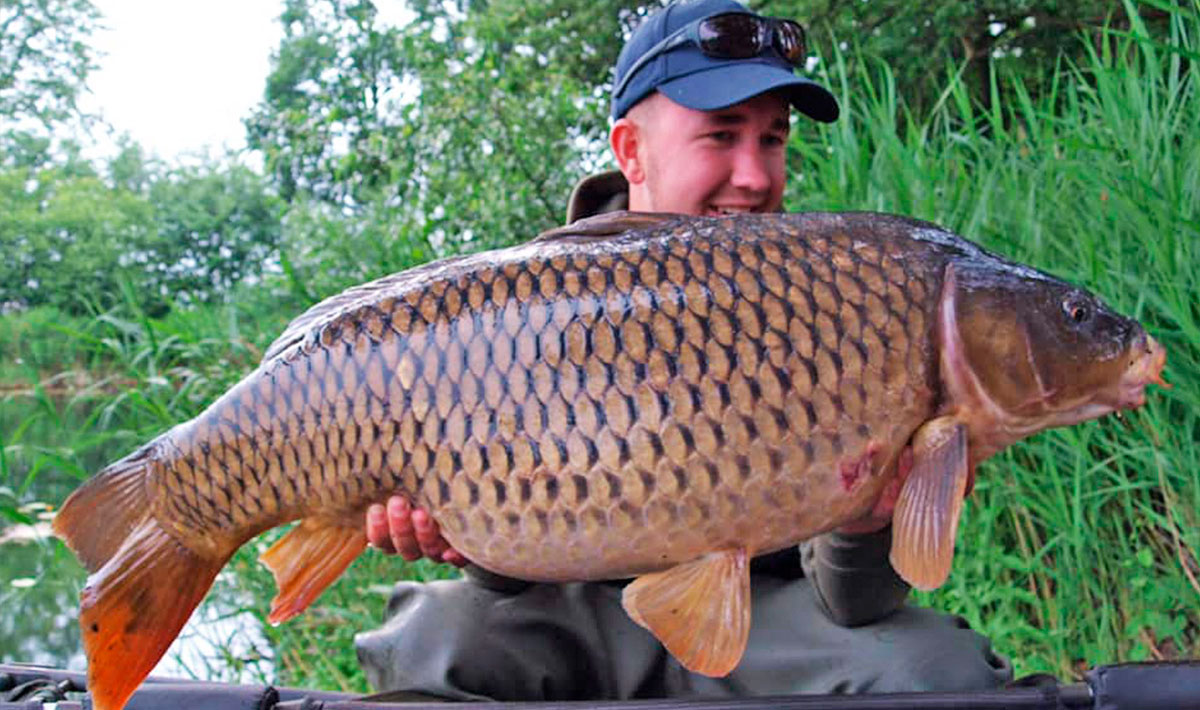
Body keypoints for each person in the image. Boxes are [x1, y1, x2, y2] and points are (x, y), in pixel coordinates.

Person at [354, 0, 1012, 700]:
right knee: (432, 640)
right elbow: (505, 575)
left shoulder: (831, 302)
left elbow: (855, 605)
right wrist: (459, 539)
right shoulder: (524, 312)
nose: (756, 176)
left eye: (772, 140)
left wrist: (870, 519)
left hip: (765, 626)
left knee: (937, 670)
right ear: (630, 151)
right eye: (721, 136)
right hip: (568, 620)